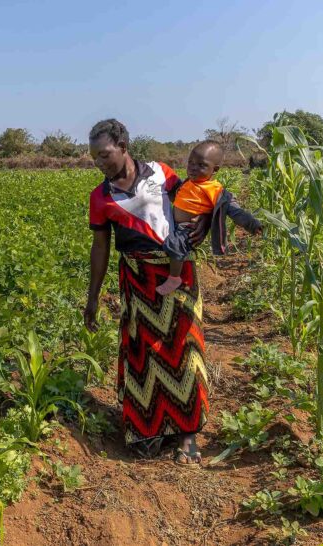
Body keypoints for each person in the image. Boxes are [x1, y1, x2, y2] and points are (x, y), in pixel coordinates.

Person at [83, 119, 211, 466]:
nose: (100, 163)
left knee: (183, 348)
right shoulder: (101, 197)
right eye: (95, 158)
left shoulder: (161, 173)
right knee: (144, 351)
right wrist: (92, 297)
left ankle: (187, 434)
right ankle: (150, 426)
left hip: (176, 271)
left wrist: (202, 224)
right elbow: (100, 248)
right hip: (137, 277)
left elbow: (194, 199)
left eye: (105, 155)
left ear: (124, 145)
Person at [156, 141, 262, 295]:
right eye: (191, 163)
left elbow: (234, 210)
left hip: (189, 229)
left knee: (175, 245)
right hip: (176, 225)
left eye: (201, 165)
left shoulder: (214, 189)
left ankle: (174, 278)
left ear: (215, 169)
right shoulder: (188, 182)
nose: (193, 167)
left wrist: (252, 224)